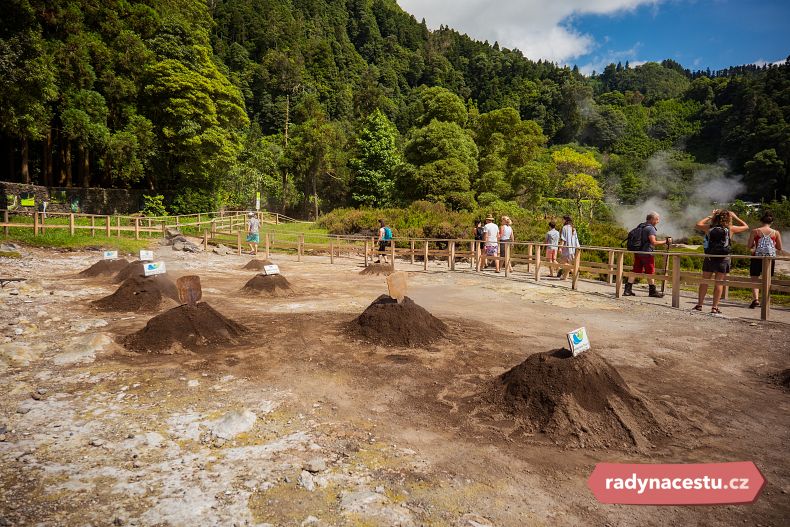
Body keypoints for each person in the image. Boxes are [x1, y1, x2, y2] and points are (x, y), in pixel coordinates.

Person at [693, 209, 749, 314]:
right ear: (728, 218)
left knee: (705, 281)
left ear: (716, 218)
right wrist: (735, 216)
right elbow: (746, 226)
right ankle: (714, 307)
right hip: (724, 258)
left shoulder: (709, 228)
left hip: (710, 257)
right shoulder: (730, 229)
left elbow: (697, 224)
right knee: (719, 283)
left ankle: (699, 305)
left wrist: (710, 216)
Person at [623, 212, 672, 298]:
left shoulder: (641, 226)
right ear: (652, 219)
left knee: (635, 270)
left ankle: (627, 290)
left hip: (638, 252)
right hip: (647, 253)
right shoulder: (650, 229)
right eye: (657, 219)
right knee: (650, 271)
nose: (658, 221)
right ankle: (652, 291)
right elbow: (653, 242)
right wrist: (666, 241)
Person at [748, 212, 783, 309]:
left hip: (756, 257)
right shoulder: (776, 232)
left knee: (754, 278)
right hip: (769, 258)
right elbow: (779, 247)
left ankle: (756, 300)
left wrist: (756, 245)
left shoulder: (755, 231)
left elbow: (749, 246)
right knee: (767, 279)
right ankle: (765, 301)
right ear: (771, 222)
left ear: (761, 221)